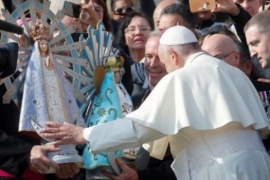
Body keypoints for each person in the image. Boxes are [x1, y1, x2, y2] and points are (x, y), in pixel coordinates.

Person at [41, 25, 270, 180]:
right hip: (260, 165)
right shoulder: (236, 73)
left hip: (221, 171)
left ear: (173, 56)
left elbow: (139, 126)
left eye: (163, 61)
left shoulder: (181, 77)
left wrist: (84, 135)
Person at [103, 31, 176, 180]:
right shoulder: (134, 98)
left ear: (173, 58)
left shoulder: (182, 101)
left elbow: (183, 161)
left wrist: (140, 177)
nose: (153, 64)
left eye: (160, 57)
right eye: (149, 57)